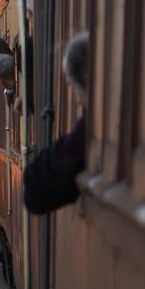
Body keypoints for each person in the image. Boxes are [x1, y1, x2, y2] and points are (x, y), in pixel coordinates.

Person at [23, 31, 89, 214]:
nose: (79, 102)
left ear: (86, 80)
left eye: (75, 87)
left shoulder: (93, 129)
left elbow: (35, 190)